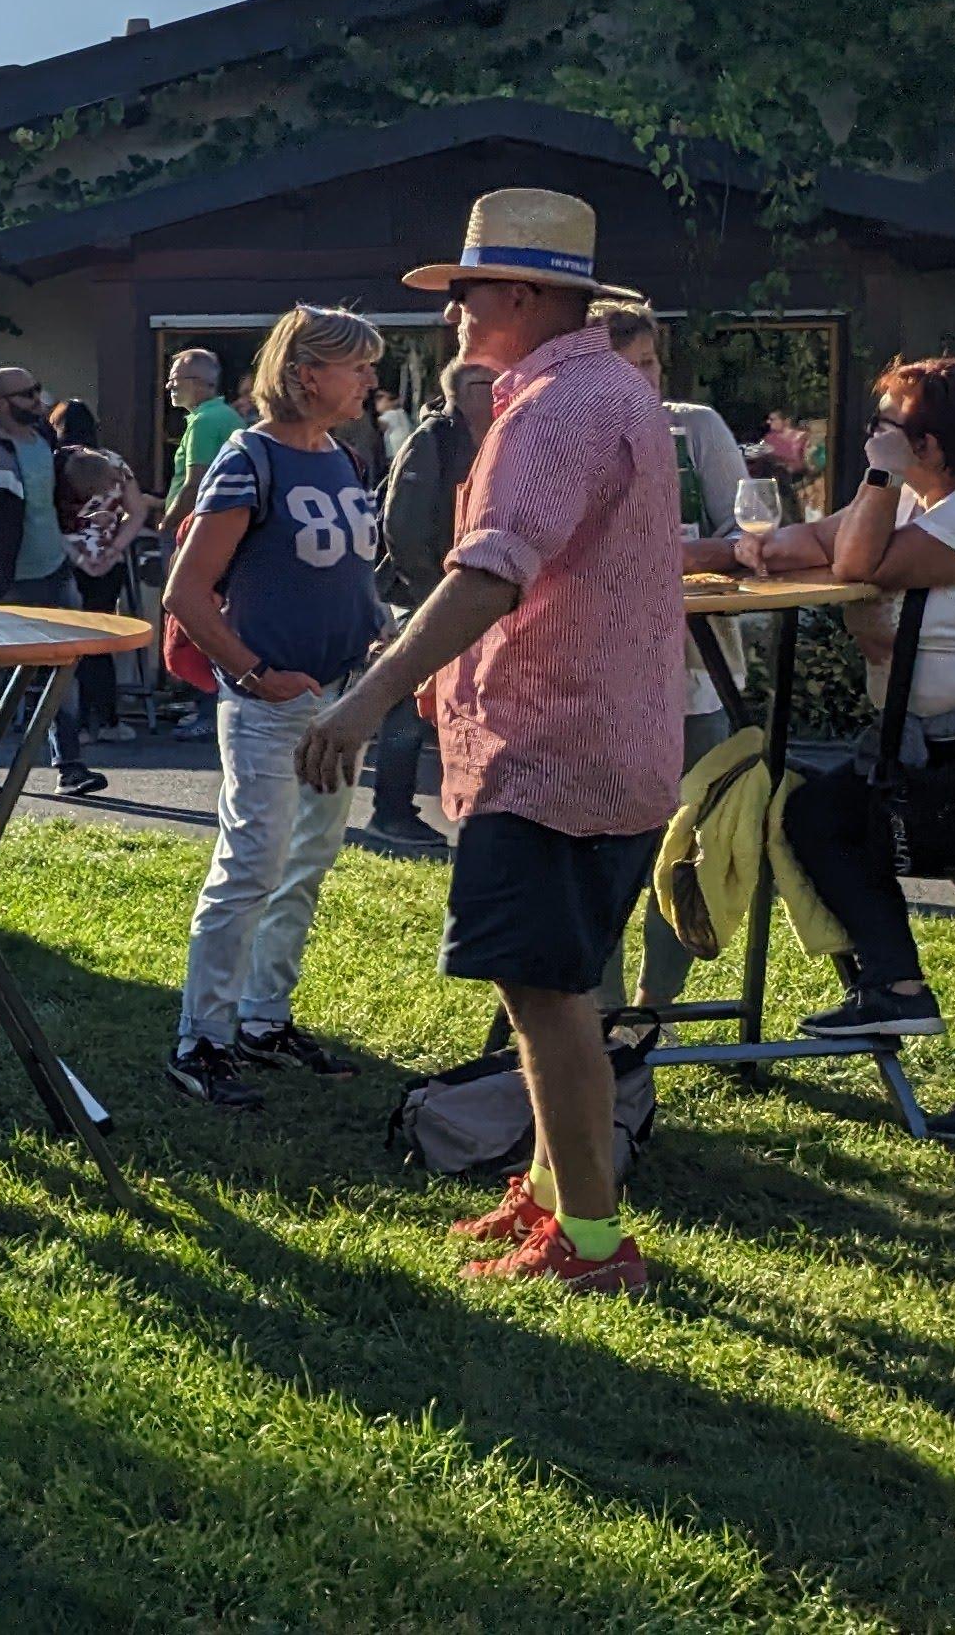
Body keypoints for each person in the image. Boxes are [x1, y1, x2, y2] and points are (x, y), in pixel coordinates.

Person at [298, 189, 680, 1293]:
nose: (454, 312)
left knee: (545, 994)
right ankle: (558, 1193)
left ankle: (594, 1245)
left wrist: (367, 698)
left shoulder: (557, 408)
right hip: (602, 745)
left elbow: (491, 571)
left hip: (553, 754)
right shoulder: (611, 388)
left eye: (467, 292)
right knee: (555, 984)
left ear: (522, 293)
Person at [736, 356, 955, 1148]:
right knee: (829, 816)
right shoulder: (929, 496)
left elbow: (857, 564)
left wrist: (874, 488)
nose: (870, 437)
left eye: (884, 425)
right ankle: (907, 996)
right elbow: (815, 542)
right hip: (950, 740)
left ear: (928, 443)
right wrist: (733, 552)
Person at [159, 307, 389, 1109]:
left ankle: (262, 1018)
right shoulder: (247, 458)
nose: (369, 381)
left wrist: (381, 634)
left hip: (339, 698)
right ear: (304, 375)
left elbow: (347, 574)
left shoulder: (344, 457)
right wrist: (255, 675)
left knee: (306, 865)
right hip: (270, 704)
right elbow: (186, 592)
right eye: (356, 367)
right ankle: (200, 1040)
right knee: (250, 866)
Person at [597, 300, 753, 1008]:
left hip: (699, 674)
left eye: (652, 364)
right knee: (598, 850)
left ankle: (656, 1011)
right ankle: (593, 1018)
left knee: (686, 847)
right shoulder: (559, 435)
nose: (645, 383)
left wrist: (679, 555)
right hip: (593, 681)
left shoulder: (696, 427)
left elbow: (750, 534)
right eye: (627, 369)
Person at [0, 365, 106, 795]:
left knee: (63, 669)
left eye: (38, 390)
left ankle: (69, 767)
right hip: (8, 579)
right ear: (0, 403)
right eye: (28, 395)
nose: (39, 400)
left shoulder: (44, 439)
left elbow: (46, 498)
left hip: (53, 571)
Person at [361, 360, 496, 853]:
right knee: (407, 701)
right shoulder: (432, 439)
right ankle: (391, 814)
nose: (494, 392)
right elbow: (403, 526)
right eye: (482, 384)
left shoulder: (503, 439)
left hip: (471, 593)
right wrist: (430, 595)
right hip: (420, 592)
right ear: (455, 393)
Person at [58, 447, 144, 739]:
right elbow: (137, 511)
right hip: (109, 559)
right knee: (100, 640)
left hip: (68, 557)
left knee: (71, 642)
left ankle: (77, 723)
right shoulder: (115, 462)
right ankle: (108, 719)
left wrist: (79, 557)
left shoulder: (55, 462)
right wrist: (116, 547)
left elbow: (46, 517)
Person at [166, 347, 239, 514]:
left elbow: (195, 485)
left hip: (196, 524)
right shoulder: (227, 415)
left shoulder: (204, 421)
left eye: (175, 379)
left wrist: (168, 524)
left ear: (198, 382)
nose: (168, 385)